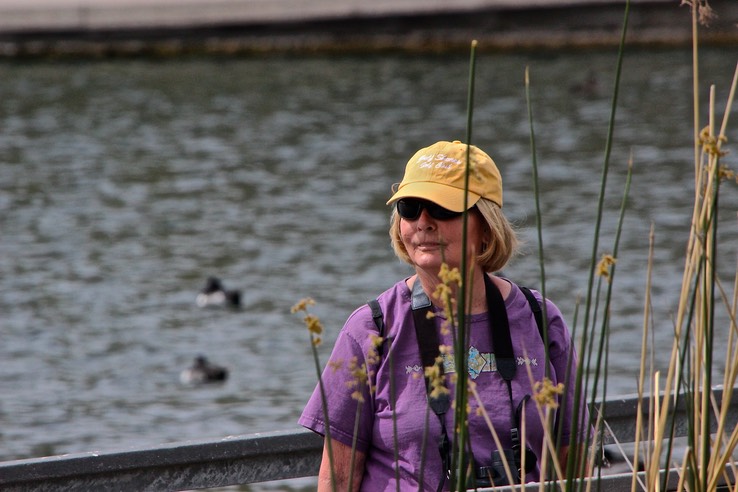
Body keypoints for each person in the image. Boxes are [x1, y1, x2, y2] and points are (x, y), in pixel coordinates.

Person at [299, 140, 589, 491]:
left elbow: (576, 463)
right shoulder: (371, 328)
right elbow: (338, 478)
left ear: (486, 225)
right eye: (410, 207)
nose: (423, 222)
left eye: (442, 208)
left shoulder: (539, 318)